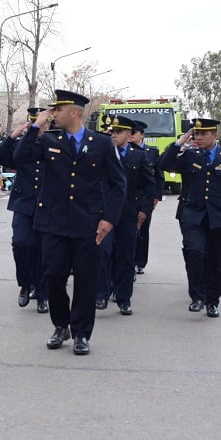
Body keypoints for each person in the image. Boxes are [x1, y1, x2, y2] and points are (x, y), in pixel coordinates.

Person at [11, 90, 126, 355]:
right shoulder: (48, 139)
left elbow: (118, 185)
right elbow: (20, 157)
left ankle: (82, 333)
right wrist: (36, 126)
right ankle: (60, 325)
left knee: (86, 280)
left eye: (57, 110)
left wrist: (109, 219)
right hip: (53, 222)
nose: (53, 114)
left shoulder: (101, 143)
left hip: (88, 224)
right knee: (54, 277)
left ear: (73, 112)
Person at [158, 118, 221, 317]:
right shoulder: (189, 155)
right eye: (195, 133)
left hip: (219, 215)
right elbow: (163, 164)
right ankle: (197, 297)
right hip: (192, 213)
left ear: (214, 136)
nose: (198, 137)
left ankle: (212, 301)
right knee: (194, 252)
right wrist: (180, 142)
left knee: (216, 259)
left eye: (202, 134)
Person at [96, 115, 155, 316]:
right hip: (104, 214)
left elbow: (150, 185)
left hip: (128, 214)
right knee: (103, 253)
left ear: (129, 135)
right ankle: (102, 294)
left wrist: (144, 209)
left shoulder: (138, 156)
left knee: (126, 257)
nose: (113, 135)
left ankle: (123, 298)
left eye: (118, 132)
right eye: (112, 131)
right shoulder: (102, 153)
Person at [0, 108, 48, 313]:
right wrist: (14, 135)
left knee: (42, 250)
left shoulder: (52, 144)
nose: (40, 127)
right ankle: (26, 284)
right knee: (20, 243)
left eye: (43, 124)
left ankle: (42, 294)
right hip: (23, 203)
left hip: (46, 204)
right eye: (36, 123)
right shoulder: (21, 146)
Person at [130, 120, 163, 275]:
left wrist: (156, 197)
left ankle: (140, 262)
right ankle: (129, 261)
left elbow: (159, 176)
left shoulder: (152, 152)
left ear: (141, 135)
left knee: (143, 230)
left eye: (133, 133)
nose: (130, 136)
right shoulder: (126, 150)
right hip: (130, 197)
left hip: (146, 198)